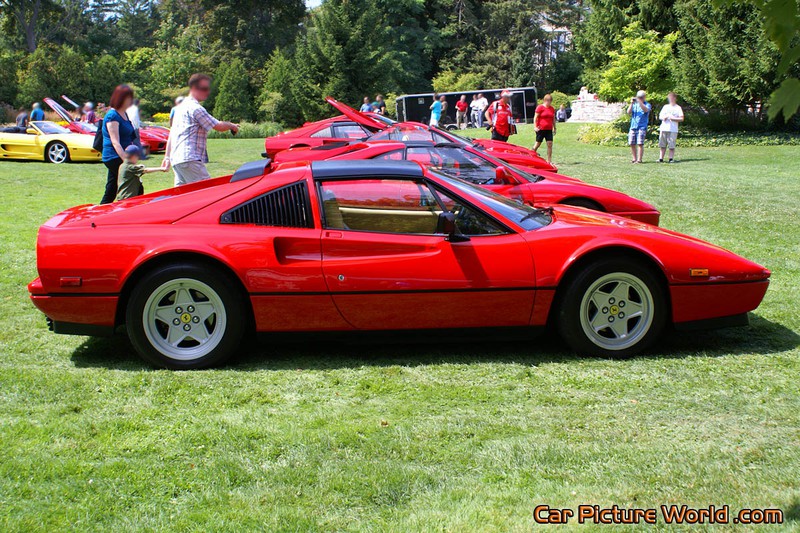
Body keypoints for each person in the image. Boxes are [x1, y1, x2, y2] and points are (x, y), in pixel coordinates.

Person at [162, 73, 239, 186]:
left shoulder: (179, 109)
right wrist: (232, 126)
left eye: (208, 89)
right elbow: (218, 126)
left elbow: (172, 134)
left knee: (184, 198)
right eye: (204, 89)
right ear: (193, 88)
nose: (207, 92)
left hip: (177, 160)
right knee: (207, 193)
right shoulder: (196, 108)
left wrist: (167, 157)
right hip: (190, 159)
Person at [100, 84, 137, 204]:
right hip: (114, 156)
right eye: (128, 98)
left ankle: (101, 213)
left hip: (123, 156)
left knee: (112, 189)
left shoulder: (124, 114)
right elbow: (115, 142)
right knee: (134, 186)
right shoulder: (112, 115)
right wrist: (126, 162)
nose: (131, 101)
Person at [658, 92, 684, 163]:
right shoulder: (665, 107)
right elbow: (660, 116)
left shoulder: (678, 108)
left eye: (671, 98)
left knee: (671, 145)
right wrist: (664, 117)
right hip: (664, 128)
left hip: (673, 129)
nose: (670, 99)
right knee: (662, 144)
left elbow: (681, 119)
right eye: (669, 98)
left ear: (675, 98)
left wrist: (673, 118)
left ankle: (671, 158)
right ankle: (661, 158)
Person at [627, 89, 651, 164]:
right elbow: (628, 112)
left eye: (641, 97)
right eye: (638, 97)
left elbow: (645, 110)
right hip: (633, 126)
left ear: (644, 97)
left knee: (640, 143)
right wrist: (631, 103)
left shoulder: (647, 104)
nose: (639, 98)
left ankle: (639, 159)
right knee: (632, 143)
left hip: (642, 126)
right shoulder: (634, 104)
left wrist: (640, 102)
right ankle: (634, 158)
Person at [533, 93, 556, 164]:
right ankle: (531, 154)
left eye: (550, 101)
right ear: (544, 100)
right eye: (547, 100)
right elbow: (535, 117)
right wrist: (535, 127)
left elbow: (553, 119)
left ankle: (549, 160)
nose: (548, 102)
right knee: (538, 144)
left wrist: (554, 127)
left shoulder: (552, 109)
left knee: (550, 144)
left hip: (549, 129)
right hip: (541, 129)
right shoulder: (540, 107)